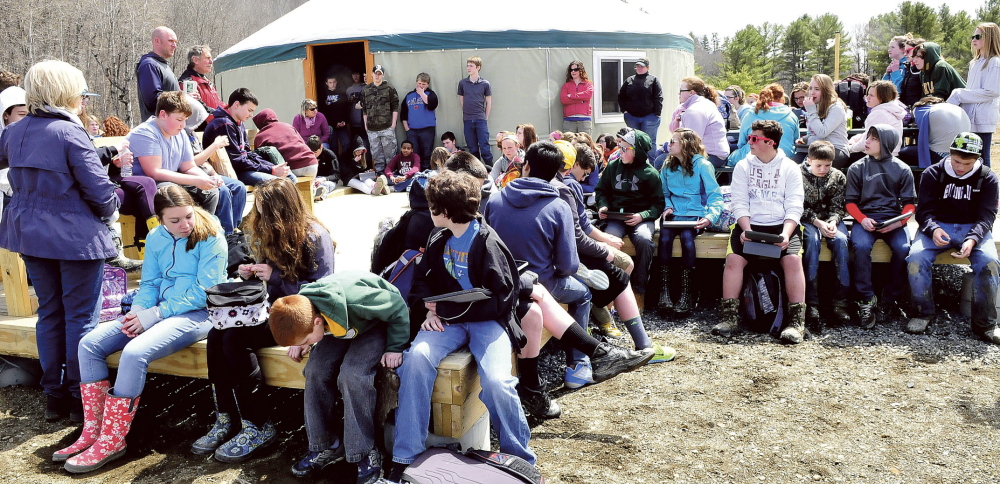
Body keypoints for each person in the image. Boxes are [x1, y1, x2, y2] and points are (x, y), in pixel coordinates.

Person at [60, 185, 227, 472]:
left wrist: (155, 314)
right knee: (89, 344)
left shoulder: (211, 236)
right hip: (155, 309)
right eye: (174, 221)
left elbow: (205, 291)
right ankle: (93, 431)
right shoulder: (155, 237)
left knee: (135, 352)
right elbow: (149, 283)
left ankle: (113, 440)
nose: (185, 225)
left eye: (188, 216)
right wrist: (138, 310)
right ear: (159, 218)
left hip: (199, 313)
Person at [382, 170, 534, 483]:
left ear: (446, 211)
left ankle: (519, 458)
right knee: (416, 361)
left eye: (432, 206)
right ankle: (405, 456)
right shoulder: (438, 237)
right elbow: (423, 283)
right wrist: (428, 310)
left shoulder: (488, 243)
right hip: (446, 323)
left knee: (498, 382)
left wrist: (448, 308)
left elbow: (504, 300)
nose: (428, 211)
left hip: (488, 323)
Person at [0, 60, 120, 423]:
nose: (83, 99)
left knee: (50, 314)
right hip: (74, 238)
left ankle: (55, 397)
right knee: (81, 318)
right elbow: (100, 193)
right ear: (64, 91)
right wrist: (113, 201)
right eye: (80, 92)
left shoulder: (14, 131)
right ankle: (79, 395)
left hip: (31, 233)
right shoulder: (69, 132)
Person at [192, 178, 335, 463]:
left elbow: (324, 291)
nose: (260, 217)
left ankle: (258, 424)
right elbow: (270, 284)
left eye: (265, 211)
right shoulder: (270, 232)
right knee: (218, 333)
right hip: (273, 310)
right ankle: (227, 417)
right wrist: (251, 273)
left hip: (302, 316)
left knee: (235, 339)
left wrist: (278, 277)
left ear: (283, 210)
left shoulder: (315, 236)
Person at [269, 271, 407, 481]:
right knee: (315, 370)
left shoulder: (357, 301)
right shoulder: (304, 311)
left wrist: (395, 346)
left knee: (352, 375)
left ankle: (364, 451)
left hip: (374, 323)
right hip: (338, 328)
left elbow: (397, 306)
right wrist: (301, 342)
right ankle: (325, 444)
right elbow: (309, 333)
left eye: (304, 339)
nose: (302, 345)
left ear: (315, 322)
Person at [483, 142, 596, 387]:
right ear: (557, 172)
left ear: (526, 165)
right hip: (542, 283)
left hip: (500, 282)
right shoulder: (558, 206)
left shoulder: (495, 200)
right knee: (584, 294)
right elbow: (569, 265)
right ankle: (578, 364)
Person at [711, 120, 807, 344]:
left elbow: (795, 206)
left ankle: (796, 324)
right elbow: (739, 203)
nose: (749, 142)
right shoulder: (743, 166)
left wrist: (785, 234)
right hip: (749, 225)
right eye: (749, 137)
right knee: (734, 260)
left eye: (755, 139)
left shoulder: (790, 168)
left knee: (793, 261)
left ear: (771, 142)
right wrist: (747, 230)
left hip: (782, 226)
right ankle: (729, 319)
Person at [906, 133, 1000, 342]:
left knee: (989, 262)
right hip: (939, 226)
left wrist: (973, 239)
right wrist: (933, 229)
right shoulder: (933, 173)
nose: (960, 167)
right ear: (949, 155)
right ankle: (923, 312)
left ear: (977, 159)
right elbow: (923, 212)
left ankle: (985, 324)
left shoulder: (988, 177)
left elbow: (987, 215)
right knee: (916, 258)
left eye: (967, 163)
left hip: (973, 228)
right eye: (956, 161)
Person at [126, 91, 245, 236]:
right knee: (175, 192)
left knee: (211, 191)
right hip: (149, 185)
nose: (183, 125)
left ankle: (204, 234)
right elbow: (155, 172)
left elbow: (188, 166)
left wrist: (207, 179)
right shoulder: (145, 133)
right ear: (163, 114)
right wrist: (195, 180)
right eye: (179, 119)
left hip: (172, 179)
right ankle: (182, 238)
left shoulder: (180, 133)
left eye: (185, 120)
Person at [846, 124, 916, 329]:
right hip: (865, 219)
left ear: (886, 143)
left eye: (873, 139)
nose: (866, 142)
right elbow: (850, 202)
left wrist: (899, 222)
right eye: (868, 137)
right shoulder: (857, 167)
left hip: (894, 220)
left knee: (903, 248)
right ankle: (866, 299)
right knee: (860, 247)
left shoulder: (902, 169)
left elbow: (910, 204)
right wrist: (862, 219)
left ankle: (890, 297)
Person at [657, 128, 723, 315]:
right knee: (664, 238)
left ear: (685, 145)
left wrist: (710, 217)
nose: (669, 144)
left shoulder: (703, 165)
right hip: (673, 214)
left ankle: (687, 294)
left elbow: (715, 196)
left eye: (673, 141)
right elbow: (663, 193)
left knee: (687, 239)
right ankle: (664, 292)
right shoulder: (667, 166)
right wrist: (667, 207)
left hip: (695, 214)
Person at [595, 128, 664, 305]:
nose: (621, 151)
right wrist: (602, 205)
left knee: (644, 240)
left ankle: (638, 290)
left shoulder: (650, 174)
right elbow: (601, 191)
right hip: (616, 217)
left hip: (640, 218)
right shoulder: (612, 167)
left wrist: (643, 216)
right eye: (620, 147)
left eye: (625, 148)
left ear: (637, 151)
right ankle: (610, 289)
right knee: (610, 240)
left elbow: (658, 205)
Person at [799, 141, 851, 331]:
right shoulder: (797, 175)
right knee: (812, 242)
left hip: (830, 220)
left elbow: (839, 206)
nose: (823, 169)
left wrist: (833, 221)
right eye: (818, 165)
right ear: (809, 160)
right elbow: (796, 206)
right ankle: (811, 301)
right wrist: (816, 222)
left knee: (841, 240)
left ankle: (841, 301)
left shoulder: (837, 177)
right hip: (807, 220)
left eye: (827, 165)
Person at [204, 88, 294, 186]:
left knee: (289, 176)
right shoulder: (223, 124)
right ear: (236, 105)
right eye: (249, 110)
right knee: (278, 183)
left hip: (244, 167)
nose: (251, 115)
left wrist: (272, 166)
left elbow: (248, 153)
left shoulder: (239, 122)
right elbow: (236, 161)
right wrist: (271, 170)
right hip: (233, 171)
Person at [947, 22, 1000, 167]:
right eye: (973, 36)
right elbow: (971, 90)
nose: (974, 39)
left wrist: (960, 95)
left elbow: (992, 91)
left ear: (989, 38)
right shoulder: (974, 63)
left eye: (978, 36)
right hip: (969, 117)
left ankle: (989, 188)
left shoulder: (995, 62)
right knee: (969, 156)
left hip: (983, 118)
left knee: (982, 157)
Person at [728, 84, 800, 165]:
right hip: (785, 158)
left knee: (731, 159)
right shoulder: (791, 115)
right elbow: (796, 140)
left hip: (753, 155)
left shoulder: (750, 114)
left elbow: (741, 142)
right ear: (782, 98)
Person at [668, 76, 730, 167]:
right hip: (714, 154)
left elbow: (690, 143)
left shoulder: (695, 110)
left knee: (661, 161)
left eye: (681, 90)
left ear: (691, 92)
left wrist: (668, 148)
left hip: (710, 155)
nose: (678, 93)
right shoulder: (702, 104)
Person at [901, 96, 972, 167]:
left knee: (901, 152)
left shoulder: (920, 109)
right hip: (962, 153)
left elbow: (921, 136)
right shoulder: (955, 108)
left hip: (940, 155)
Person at [799, 74, 850, 168]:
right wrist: (805, 139)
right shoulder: (816, 106)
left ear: (826, 90)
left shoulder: (836, 107)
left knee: (807, 169)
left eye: (817, 89)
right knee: (793, 162)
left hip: (836, 149)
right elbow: (815, 132)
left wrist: (810, 110)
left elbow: (822, 132)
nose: (812, 92)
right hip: (817, 148)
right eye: (810, 88)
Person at [253, 108, 320, 177]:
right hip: (311, 163)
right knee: (308, 187)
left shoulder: (260, 136)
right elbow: (302, 142)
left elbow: (258, 157)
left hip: (291, 168)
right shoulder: (288, 126)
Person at [848, 80, 906, 156]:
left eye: (871, 95)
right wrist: (854, 139)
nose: (867, 98)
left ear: (882, 98)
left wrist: (849, 148)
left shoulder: (879, 114)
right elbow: (869, 135)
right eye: (867, 94)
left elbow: (865, 142)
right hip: (890, 155)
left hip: (878, 157)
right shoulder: (891, 110)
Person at [456, 56, 493, 167]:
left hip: (480, 119)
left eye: (471, 66)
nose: (468, 68)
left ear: (478, 67)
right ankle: (476, 171)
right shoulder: (463, 83)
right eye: (467, 66)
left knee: (484, 146)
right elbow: (461, 99)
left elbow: (489, 102)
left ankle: (490, 170)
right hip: (467, 119)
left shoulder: (485, 84)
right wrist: (466, 112)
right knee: (472, 148)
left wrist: (485, 117)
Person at [617, 58, 663, 147]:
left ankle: (651, 161)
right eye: (637, 66)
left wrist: (657, 113)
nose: (639, 68)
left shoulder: (653, 80)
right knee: (633, 142)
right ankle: (637, 161)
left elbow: (658, 97)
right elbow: (621, 96)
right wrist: (624, 110)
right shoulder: (629, 80)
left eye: (641, 66)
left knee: (649, 142)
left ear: (647, 67)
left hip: (650, 117)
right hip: (632, 117)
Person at [361, 65, 399, 173]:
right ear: (372, 74)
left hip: (387, 127)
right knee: (377, 155)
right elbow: (364, 109)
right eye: (375, 73)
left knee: (390, 154)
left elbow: (395, 106)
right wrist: (366, 125)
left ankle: (391, 175)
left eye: (379, 74)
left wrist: (393, 124)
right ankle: (380, 175)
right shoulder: (366, 90)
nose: (377, 76)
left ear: (383, 75)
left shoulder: (389, 88)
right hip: (372, 129)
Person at [136, 26, 179, 120]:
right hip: (158, 129)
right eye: (171, 41)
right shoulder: (149, 65)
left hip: (170, 128)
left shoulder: (163, 65)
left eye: (175, 42)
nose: (174, 45)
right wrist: (182, 98)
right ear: (157, 41)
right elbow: (153, 101)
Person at [178, 45, 223, 129]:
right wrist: (222, 113)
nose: (211, 62)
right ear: (195, 60)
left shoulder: (206, 81)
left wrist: (230, 110)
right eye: (207, 58)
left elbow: (218, 104)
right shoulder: (188, 82)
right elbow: (197, 109)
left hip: (214, 127)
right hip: (201, 132)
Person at [400, 73, 438, 165]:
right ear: (416, 82)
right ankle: (416, 173)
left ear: (428, 85)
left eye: (424, 84)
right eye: (419, 83)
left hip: (427, 130)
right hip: (412, 131)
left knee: (427, 154)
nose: (421, 86)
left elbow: (432, 105)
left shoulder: (431, 94)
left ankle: (426, 174)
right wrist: (407, 129)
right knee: (414, 155)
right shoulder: (409, 95)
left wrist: (422, 93)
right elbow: (403, 113)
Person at [318, 74, 351, 161]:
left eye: (334, 82)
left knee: (347, 143)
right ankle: (336, 166)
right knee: (333, 147)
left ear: (336, 82)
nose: (332, 84)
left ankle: (344, 163)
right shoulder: (322, 95)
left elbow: (347, 109)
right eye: (330, 82)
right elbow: (322, 113)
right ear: (326, 83)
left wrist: (345, 121)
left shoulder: (342, 94)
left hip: (342, 125)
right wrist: (333, 123)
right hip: (330, 126)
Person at [561, 61, 594, 134]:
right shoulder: (566, 85)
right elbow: (563, 100)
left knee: (584, 143)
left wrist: (571, 95)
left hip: (584, 119)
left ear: (581, 70)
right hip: (569, 120)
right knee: (569, 144)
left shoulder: (588, 84)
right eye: (571, 70)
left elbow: (588, 95)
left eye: (575, 69)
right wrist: (580, 101)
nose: (573, 71)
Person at [346, 70, 371, 156]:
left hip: (365, 122)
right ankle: (356, 163)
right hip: (353, 122)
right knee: (355, 144)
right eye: (353, 74)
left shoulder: (366, 87)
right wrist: (350, 101)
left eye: (357, 73)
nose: (355, 76)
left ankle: (367, 163)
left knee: (366, 143)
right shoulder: (349, 90)